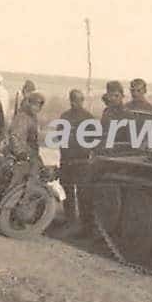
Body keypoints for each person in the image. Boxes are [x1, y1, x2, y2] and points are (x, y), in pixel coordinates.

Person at [57, 89, 96, 237]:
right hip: (67, 160)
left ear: (82, 100)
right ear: (70, 100)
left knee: (83, 194)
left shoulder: (89, 119)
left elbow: (95, 140)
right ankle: (70, 221)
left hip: (82, 162)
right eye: (73, 100)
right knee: (67, 193)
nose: (75, 103)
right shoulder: (64, 117)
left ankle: (86, 226)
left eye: (79, 100)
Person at [6, 91, 46, 193]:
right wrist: (20, 153)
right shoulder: (23, 117)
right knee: (18, 185)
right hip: (22, 156)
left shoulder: (32, 118)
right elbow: (15, 136)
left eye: (39, 106)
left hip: (29, 153)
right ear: (29, 103)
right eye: (34, 104)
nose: (36, 108)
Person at [100, 80, 128, 149]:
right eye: (110, 95)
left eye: (116, 96)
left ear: (122, 96)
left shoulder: (127, 114)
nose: (113, 98)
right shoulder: (106, 112)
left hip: (120, 152)